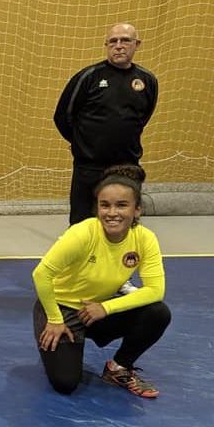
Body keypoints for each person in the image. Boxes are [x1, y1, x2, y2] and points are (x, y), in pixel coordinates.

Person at [32, 165, 170, 398]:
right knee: (66, 383)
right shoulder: (82, 233)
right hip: (61, 309)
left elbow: (156, 290)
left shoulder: (145, 239)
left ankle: (118, 368)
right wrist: (54, 319)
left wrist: (105, 308)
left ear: (137, 209)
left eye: (122, 205)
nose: (112, 213)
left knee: (158, 313)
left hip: (97, 310)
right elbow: (41, 274)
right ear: (97, 208)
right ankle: (60, 344)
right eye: (105, 205)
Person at [54, 23, 158, 226]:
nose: (118, 46)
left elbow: (142, 118)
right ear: (106, 45)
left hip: (127, 167)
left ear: (137, 44)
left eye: (125, 40)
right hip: (89, 166)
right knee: (82, 224)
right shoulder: (88, 77)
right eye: (113, 41)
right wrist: (80, 142)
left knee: (122, 223)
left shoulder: (147, 80)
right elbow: (62, 116)